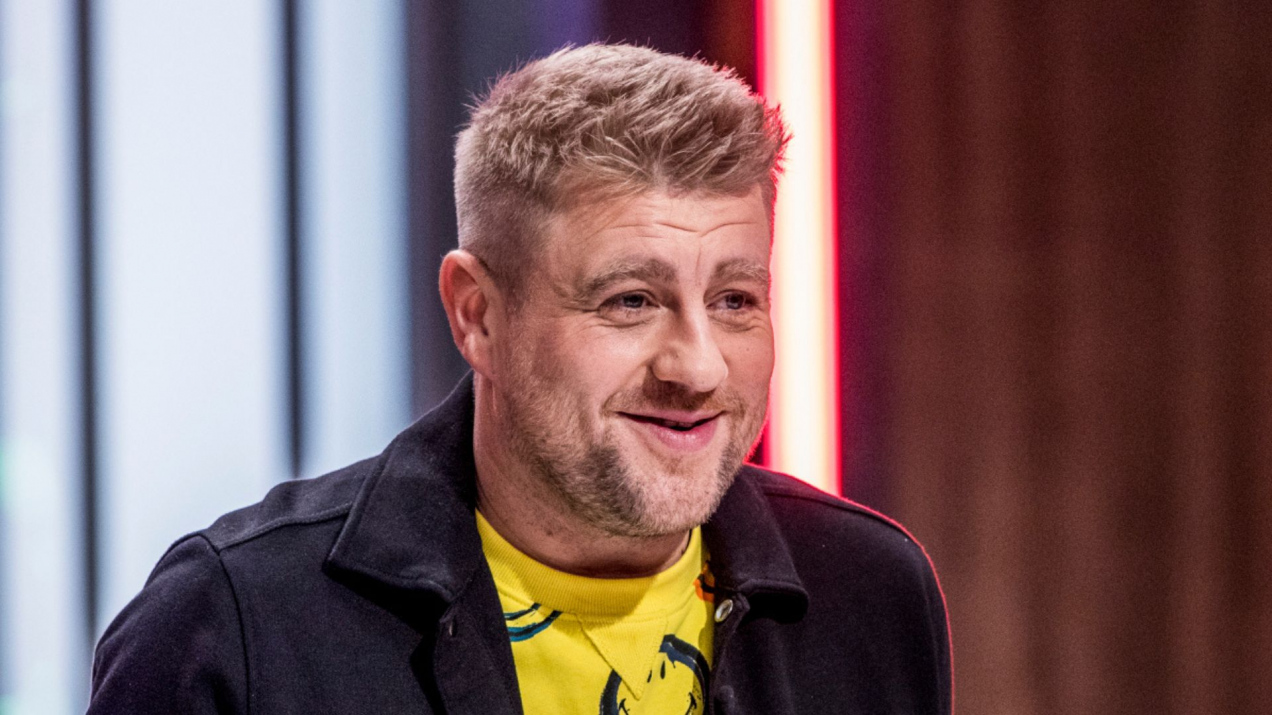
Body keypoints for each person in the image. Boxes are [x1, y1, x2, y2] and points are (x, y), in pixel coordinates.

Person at [88, 44, 951, 714]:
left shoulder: (871, 596)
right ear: (477, 315)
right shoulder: (236, 624)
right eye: (630, 300)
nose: (698, 366)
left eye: (734, 299)